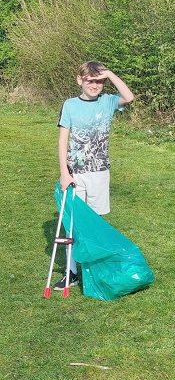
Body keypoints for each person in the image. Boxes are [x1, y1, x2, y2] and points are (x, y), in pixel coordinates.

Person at [54, 61, 135, 290]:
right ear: (79, 80)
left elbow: (128, 97)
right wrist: (63, 172)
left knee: (96, 222)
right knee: (73, 224)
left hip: (99, 172)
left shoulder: (108, 102)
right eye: (90, 80)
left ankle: (95, 269)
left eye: (99, 81)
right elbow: (62, 141)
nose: (95, 85)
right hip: (75, 174)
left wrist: (109, 73)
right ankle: (71, 272)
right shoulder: (69, 105)